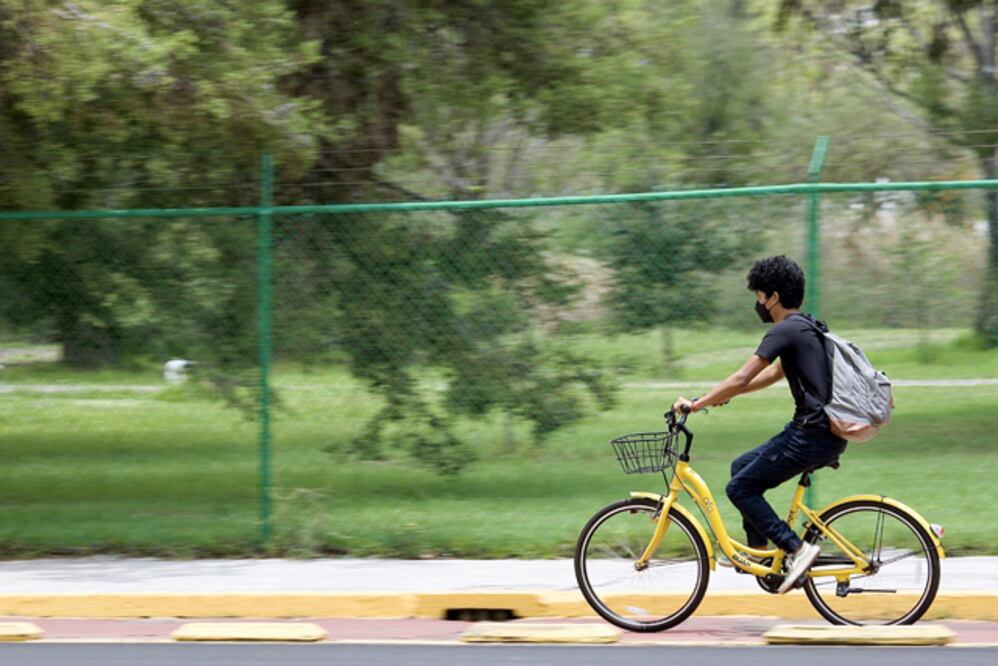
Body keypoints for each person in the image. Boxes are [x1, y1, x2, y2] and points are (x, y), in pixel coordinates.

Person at [672, 255, 846, 594]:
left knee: (740, 488)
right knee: (741, 468)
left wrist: (696, 404)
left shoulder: (783, 329)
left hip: (809, 434)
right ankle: (764, 559)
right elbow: (774, 374)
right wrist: (724, 396)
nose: (758, 304)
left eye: (758, 296)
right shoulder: (806, 325)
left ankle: (797, 549)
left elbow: (741, 375)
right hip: (818, 432)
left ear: (773, 297)